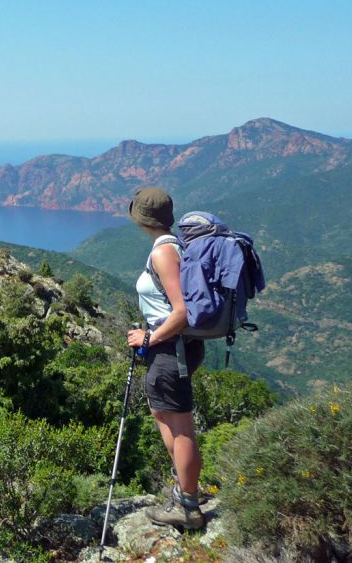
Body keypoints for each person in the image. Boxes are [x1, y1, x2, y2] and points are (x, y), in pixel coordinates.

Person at [126, 187, 205, 531]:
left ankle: (188, 505)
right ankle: (185, 490)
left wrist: (149, 337)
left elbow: (183, 311)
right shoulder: (172, 245)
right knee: (163, 414)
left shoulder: (163, 253)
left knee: (180, 424)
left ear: (142, 219)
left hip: (171, 350)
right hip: (173, 349)